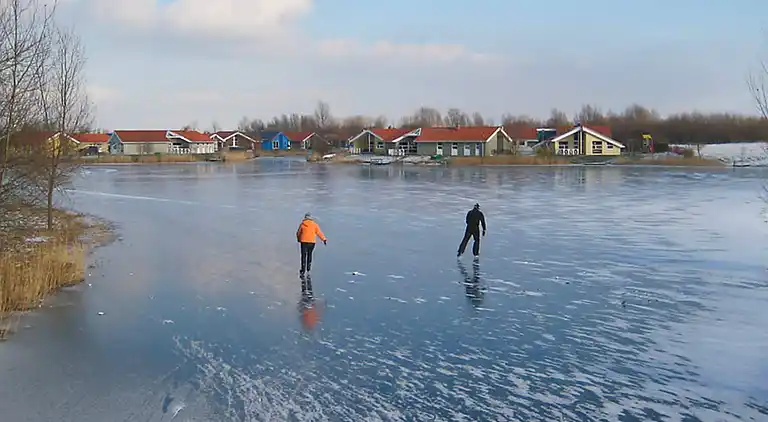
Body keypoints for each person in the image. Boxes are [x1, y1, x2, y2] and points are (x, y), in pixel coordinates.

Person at [296, 212, 327, 276]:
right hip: (312, 242)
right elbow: (319, 233)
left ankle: (303, 269)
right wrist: (324, 239)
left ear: (305, 218)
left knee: (303, 255)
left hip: (303, 241)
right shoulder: (314, 225)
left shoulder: (302, 224)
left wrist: (299, 239)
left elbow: (298, 233)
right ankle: (308, 268)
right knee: (310, 254)